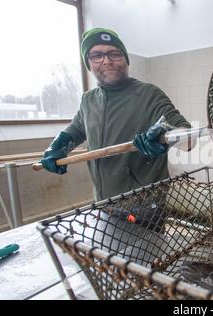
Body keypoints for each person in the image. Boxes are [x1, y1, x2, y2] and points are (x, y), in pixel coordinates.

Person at [40, 28, 192, 201]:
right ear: (88, 63)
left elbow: (188, 139)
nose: (107, 61)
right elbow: (76, 130)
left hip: (143, 203)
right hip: (104, 201)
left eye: (114, 54)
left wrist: (167, 132)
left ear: (126, 59)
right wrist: (57, 147)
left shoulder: (148, 94)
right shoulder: (88, 99)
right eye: (97, 55)